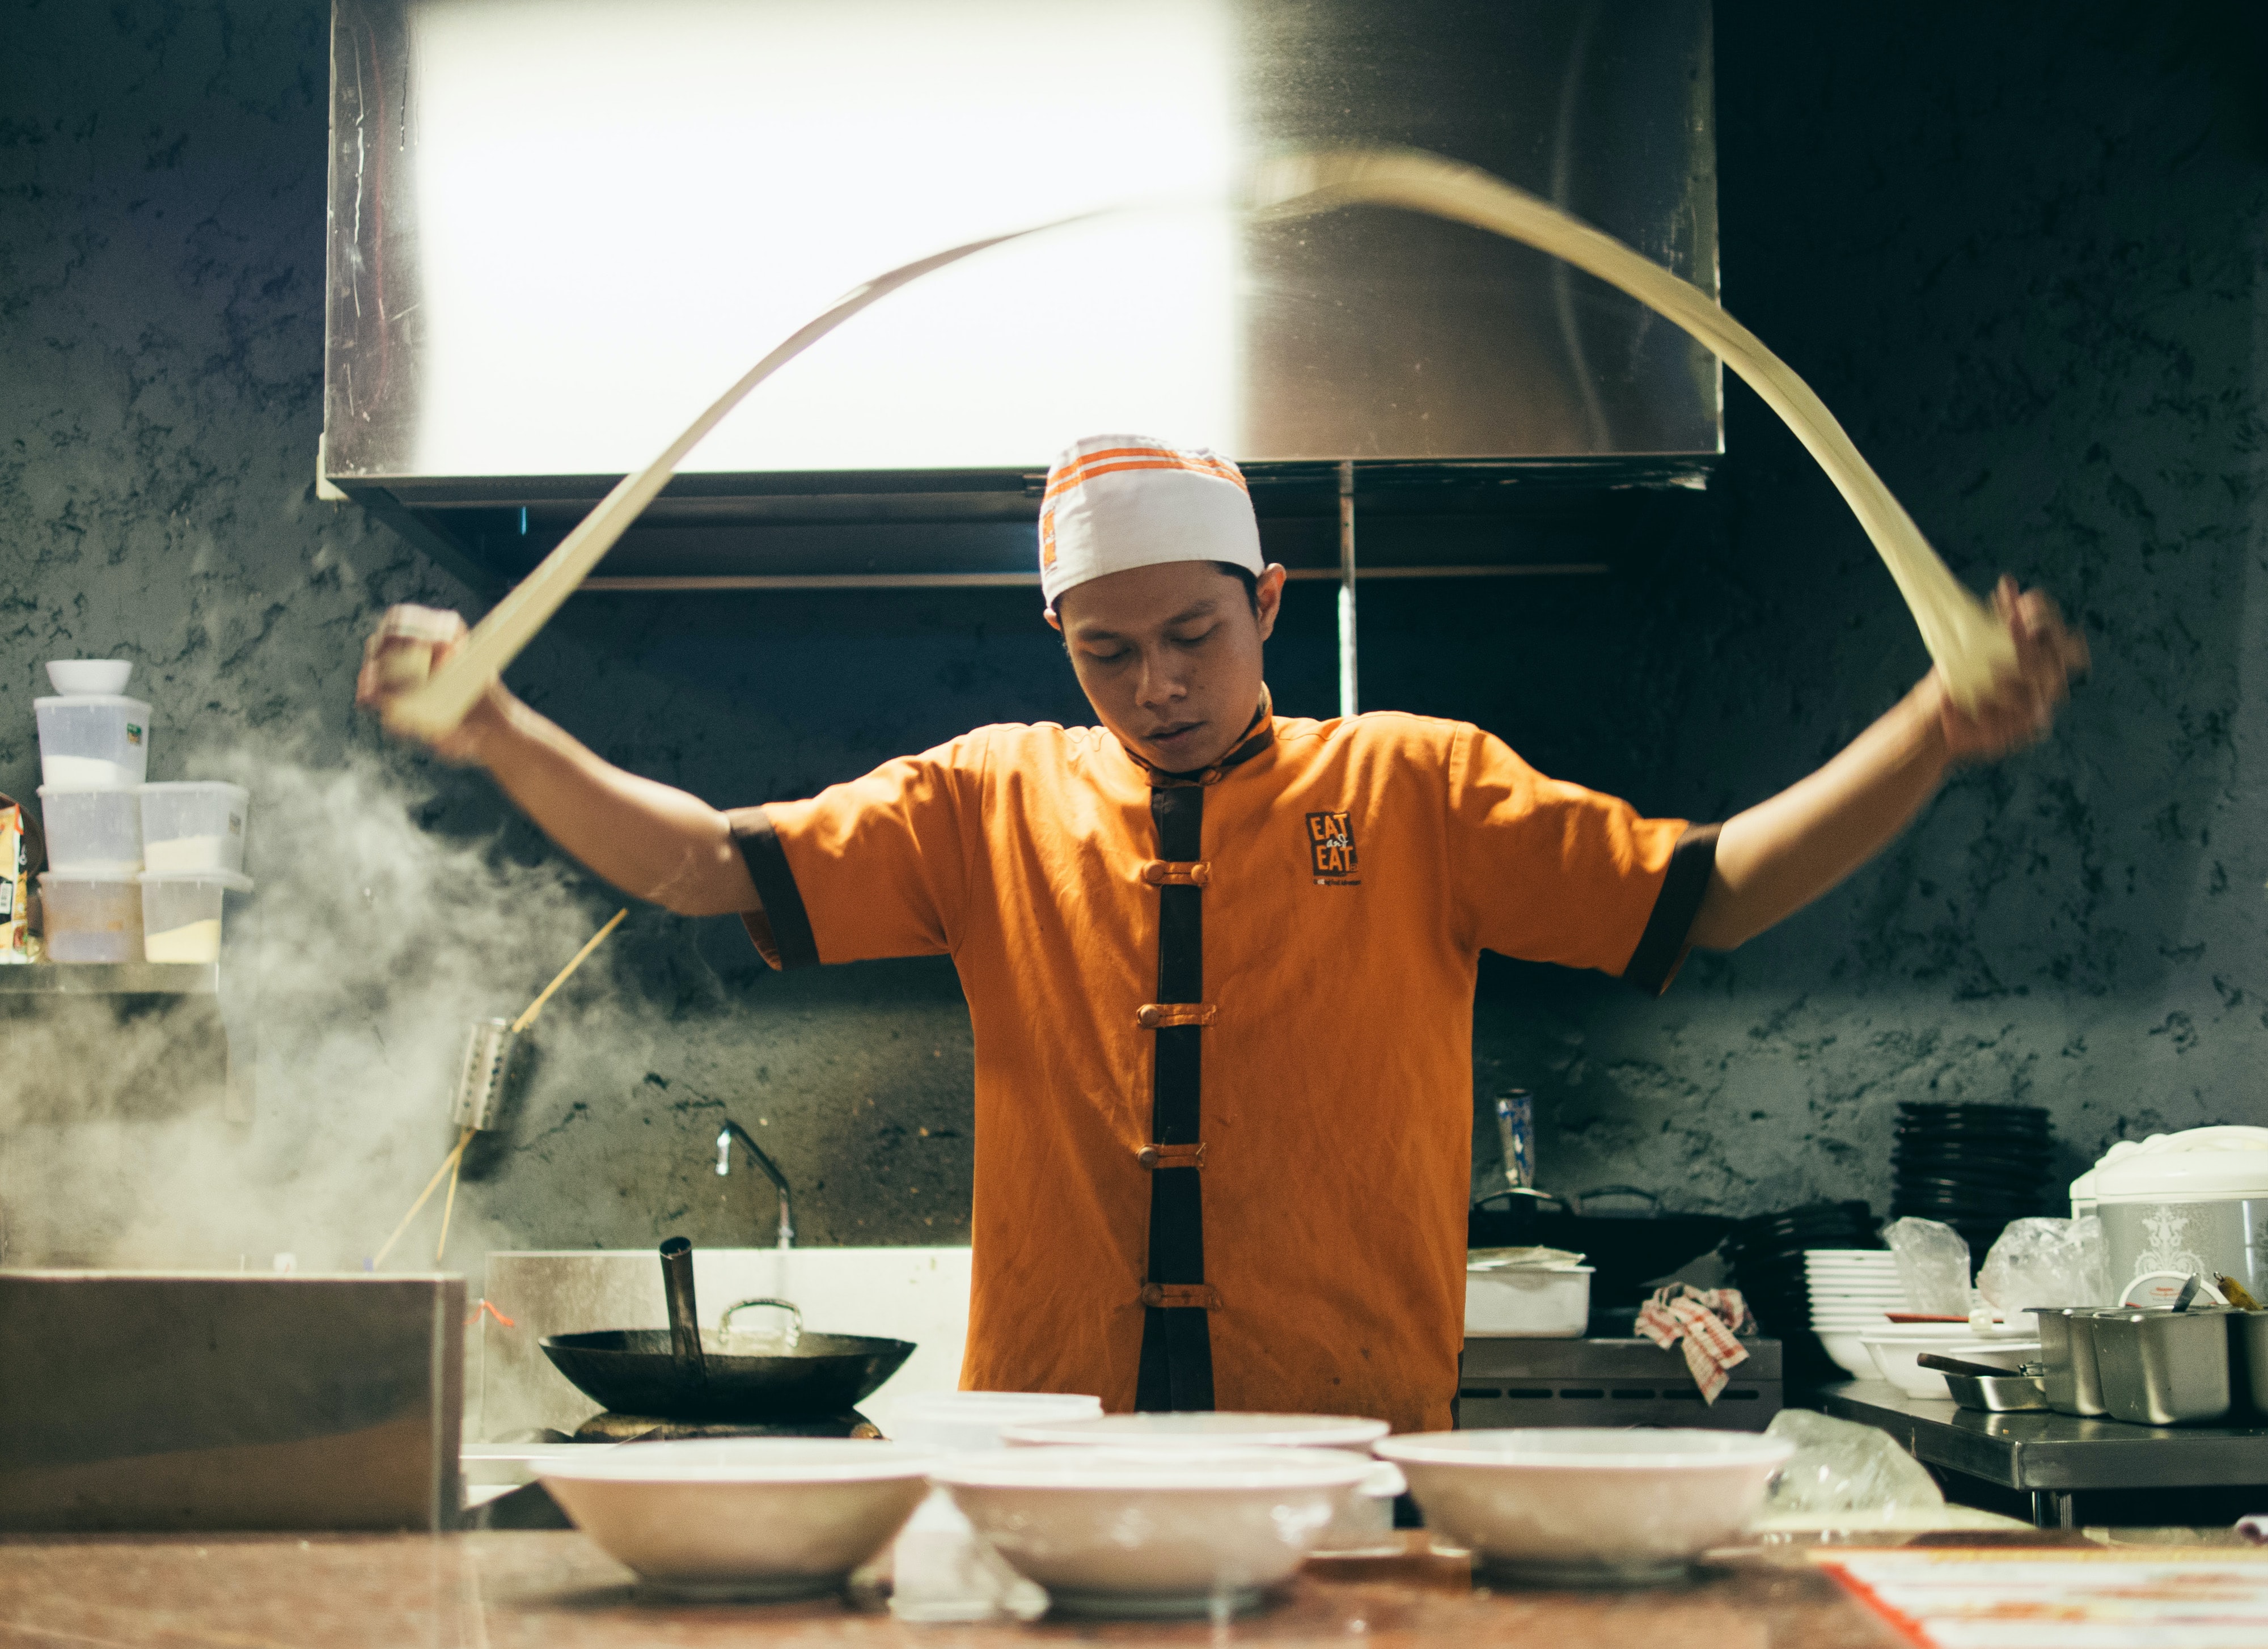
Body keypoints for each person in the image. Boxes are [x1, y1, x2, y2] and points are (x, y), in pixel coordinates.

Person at [359, 434, 2088, 1432]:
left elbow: (1713, 894)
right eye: (1105, 651)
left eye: (1192, 632)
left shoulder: (1417, 788)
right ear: (1060, 638)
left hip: (1347, 1440)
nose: (1157, 685)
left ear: (1272, 602)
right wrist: (504, 732)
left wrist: (1933, 731)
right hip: (1053, 1446)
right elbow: (707, 867)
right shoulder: (986, 799)